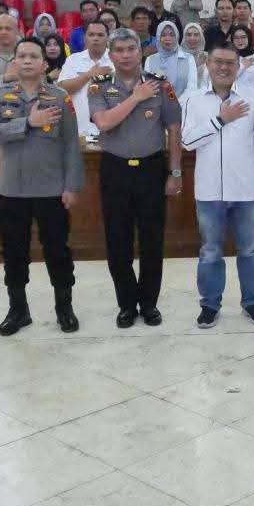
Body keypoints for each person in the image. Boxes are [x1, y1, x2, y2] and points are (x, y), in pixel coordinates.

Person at [0, 36, 82, 335]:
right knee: (14, 252)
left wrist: (72, 186)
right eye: (22, 56)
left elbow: (71, 144)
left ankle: (64, 308)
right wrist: (29, 122)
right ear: (14, 62)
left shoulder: (60, 97)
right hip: (12, 190)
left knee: (58, 252)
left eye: (33, 56)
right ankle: (18, 310)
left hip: (51, 190)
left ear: (44, 64)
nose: (27, 60)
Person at [89, 28, 182, 327]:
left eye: (131, 49)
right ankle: (127, 305)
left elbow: (174, 130)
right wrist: (136, 97)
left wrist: (175, 172)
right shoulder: (100, 86)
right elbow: (104, 123)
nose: (126, 55)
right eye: (119, 50)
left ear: (141, 52)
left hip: (151, 170)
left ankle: (149, 304)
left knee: (152, 240)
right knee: (118, 241)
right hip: (115, 170)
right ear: (111, 55)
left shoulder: (161, 85)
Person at [182, 40, 254, 327]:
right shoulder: (193, 100)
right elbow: (187, 141)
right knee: (210, 250)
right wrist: (220, 120)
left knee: (248, 249)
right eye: (218, 62)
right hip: (209, 190)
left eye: (230, 63)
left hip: (246, 189)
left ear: (238, 66)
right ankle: (210, 304)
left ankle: (251, 302)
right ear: (208, 64)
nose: (223, 68)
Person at [58, 20, 114, 134]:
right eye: (91, 34)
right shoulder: (73, 60)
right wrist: (88, 75)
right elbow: (62, 90)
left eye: (100, 35)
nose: (95, 38)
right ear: (84, 38)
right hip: (80, 130)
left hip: (111, 131)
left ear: (108, 39)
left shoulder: (117, 59)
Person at [144, 20, 195, 96]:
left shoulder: (188, 58)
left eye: (172, 35)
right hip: (158, 102)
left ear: (176, 37)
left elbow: (192, 87)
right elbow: (148, 87)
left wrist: (177, 102)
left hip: (184, 102)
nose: (168, 38)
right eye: (163, 35)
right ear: (158, 38)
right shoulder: (150, 60)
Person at [229, 24, 254, 97]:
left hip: (252, 99)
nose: (240, 41)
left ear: (249, 38)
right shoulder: (228, 57)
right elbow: (227, 81)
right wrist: (242, 67)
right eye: (236, 38)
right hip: (232, 99)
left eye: (243, 37)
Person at [181, 22, 209, 86]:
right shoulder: (178, 57)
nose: (192, 38)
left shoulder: (207, 57)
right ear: (184, 37)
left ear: (201, 37)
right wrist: (196, 65)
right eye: (189, 35)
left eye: (196, 35)